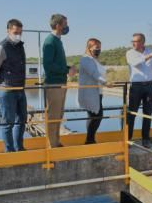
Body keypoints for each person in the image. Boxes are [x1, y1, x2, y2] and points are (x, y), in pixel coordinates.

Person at [0, 19, 27, 152]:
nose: (18, 35)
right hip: (6, 90)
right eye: (16, 32)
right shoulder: (1, 48)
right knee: (7, 123)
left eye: (20, 32)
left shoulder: (20, 46)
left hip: (20, 89)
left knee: (22, 120)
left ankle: (19, 148)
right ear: (8, 31)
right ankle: (9, 151)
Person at [42, 13, 76, 147]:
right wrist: (66, 70)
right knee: (53, 115)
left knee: (58, 114)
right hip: (54, 84)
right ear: (58, 25)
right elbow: (48, 65)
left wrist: (67, 68)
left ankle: (56, 141)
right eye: (65, 24)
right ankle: (52, 144)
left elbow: (57, 64)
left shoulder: (57, 40)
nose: (67, 27)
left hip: (60, 83)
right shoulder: (50, 41)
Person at [78, 38, 111, 144]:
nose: (99, 50)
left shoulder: (94, 60)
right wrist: (105, 82)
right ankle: (89, 140)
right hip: (89, 93)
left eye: (100, 48)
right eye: (97, 48)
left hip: (98, 93)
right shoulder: (86, 59)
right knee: (97, 116)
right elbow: (94, 73)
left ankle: (90, 139)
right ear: (89, 47)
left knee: (94, 116)